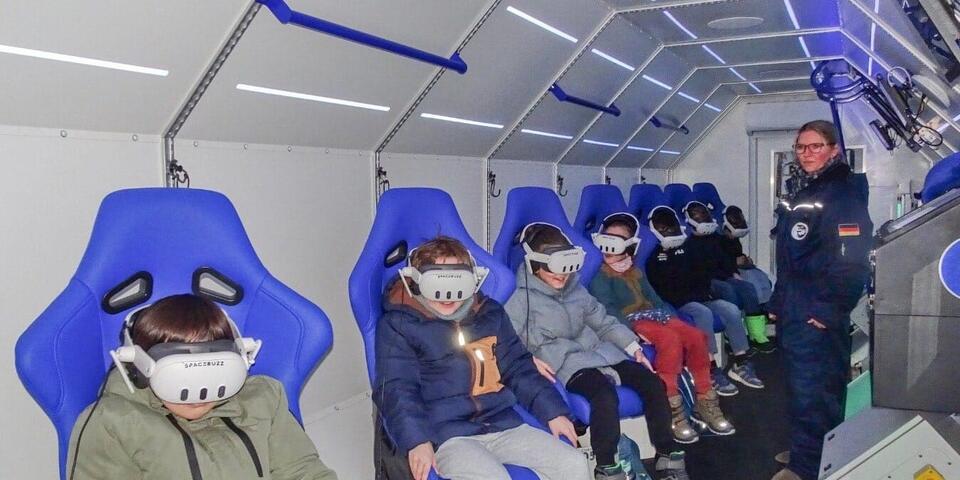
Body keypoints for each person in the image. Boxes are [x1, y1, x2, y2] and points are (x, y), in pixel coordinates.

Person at [374, 236, 589, 480]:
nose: (448, 295)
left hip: (502, 424)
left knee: (573, 464)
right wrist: (417, 441)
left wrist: (554, 412)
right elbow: (397, 388)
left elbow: (518, 367)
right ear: (416, 281)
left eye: (458, 282)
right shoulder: (400, 325)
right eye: (438, 282)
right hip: (447, 435)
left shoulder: (489, 314)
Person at [67, 294, 339, 480]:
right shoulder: (114, 422)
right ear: (140, 368)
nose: (197, 394)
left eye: (212, 374)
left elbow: (301, 470)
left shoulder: (264, 399)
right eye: (180, 378)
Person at [504, 223, 689, 480]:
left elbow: (603, 322)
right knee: (603, 395)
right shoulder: (520, 300)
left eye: (566, 269)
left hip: (603, 353)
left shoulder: (577, 290)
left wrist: (633, 347)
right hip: (567, 362)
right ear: (534, 265)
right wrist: (529, 359)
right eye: (554, 270)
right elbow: (508, 341)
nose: (562, 277)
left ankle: (667, 454)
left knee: (652, 383)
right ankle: (607, 465)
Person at [769, 121, 872, 480]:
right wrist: (778, 300)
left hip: (817, 309)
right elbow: (791, 257)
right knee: (802, 387)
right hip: (797, 304)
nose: (807, 153)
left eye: (815, 146)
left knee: (816, 389)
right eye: (801, 147)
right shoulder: (810, 189)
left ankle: (808, 468)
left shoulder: (841, 195)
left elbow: (852, 261)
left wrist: (828, 309)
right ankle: (810, 449)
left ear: (834, 150)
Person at [588, 212, 735, 444]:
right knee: (669, 340)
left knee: (696, 336)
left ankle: (705, 398)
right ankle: (672, 405)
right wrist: (632, 330)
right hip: (632, 321)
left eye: (618, 239)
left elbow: (655, 299)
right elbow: (608, 310)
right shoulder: (600, 276)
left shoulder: (635, 271)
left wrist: (672, 319)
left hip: (656, 315)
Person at [644, 206, 764, 396]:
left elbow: (701, 274)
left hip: (701, 297)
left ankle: (741, 362)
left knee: (730, 309)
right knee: (703, 313)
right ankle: (710, 367)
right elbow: (663, 289)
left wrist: (706, 291)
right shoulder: (655, 259)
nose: (670, 231)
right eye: (664, 228)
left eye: (671, 226)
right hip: (680, 302)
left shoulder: (687, 249)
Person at [683, 201, 775, 354]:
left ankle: (756, 334)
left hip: (722, 276)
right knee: (727, 289)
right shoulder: (688, 245)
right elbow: (696, 271)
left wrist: (733, 272)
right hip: (707, 281)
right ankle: (730, 337)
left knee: (747, 287)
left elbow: (724, 260)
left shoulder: (714, 239)